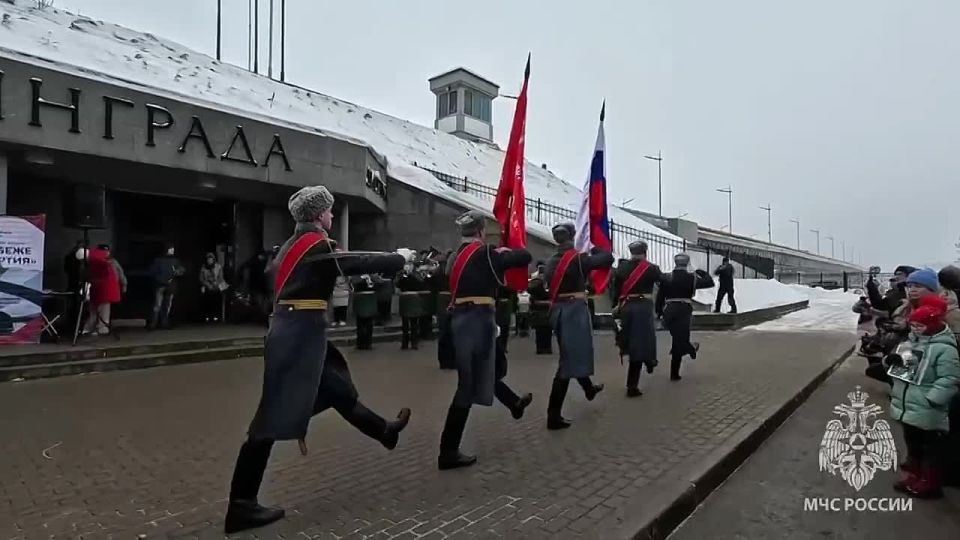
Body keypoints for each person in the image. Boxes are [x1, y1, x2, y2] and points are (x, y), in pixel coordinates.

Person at [225, 185, 413, 534]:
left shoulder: (290, 247)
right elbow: (356, 261)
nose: (331, 216)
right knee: (267, 423)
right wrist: (399, 258)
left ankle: (383, 431)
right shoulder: (316, 246)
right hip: (299, 337)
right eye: (329, 211)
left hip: (299, 334)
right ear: (318, 215)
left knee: (336, 388)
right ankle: (241, 506)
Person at [439, 210, 533, 470]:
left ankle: (513, 402)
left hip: (461, 318)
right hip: (477, 320)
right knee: (466, 385)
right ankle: (447, 451)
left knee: (483, 371)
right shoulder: (486, 254)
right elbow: (525, 257)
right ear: (481, 231)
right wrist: (508, 247)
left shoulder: (455, 256)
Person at [885, 294, 960, 499]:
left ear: (933, 324)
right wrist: (891, 362)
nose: (915, 329)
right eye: (913, 325)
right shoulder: (912, 343)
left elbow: (949, 378)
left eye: (920, 326)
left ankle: (930, 483)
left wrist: (933, 399)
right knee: (913, 445)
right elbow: (904, 369)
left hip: (928, 407)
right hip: (908, 405)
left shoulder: (944, 349)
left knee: (930, 449)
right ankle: (915, 476)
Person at [544, 222, 614, 431]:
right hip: (573, 311)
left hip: (558, 311)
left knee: (574, 354)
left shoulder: (550, 262)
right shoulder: (577, 259)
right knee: (568, 362)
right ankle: (553, 416)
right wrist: (596, 246)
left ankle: (588, 388)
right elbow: (608, 259)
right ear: (572, 237)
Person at [612, 240, 663, 397]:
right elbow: (664, 281)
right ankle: (634, 382)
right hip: (643, 308)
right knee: (644, 342)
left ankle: (645, 362)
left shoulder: (622, 267)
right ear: (645, 252)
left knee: (630, 342)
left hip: (626, 307)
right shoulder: (651, 268)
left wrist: (616, 307)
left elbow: (615, 289)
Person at [655, 253, 715, 381]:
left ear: (675, 263)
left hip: (669, 310)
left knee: (677, 340)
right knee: (680, 339)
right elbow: (709, 282)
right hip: (684, 310)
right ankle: (690, 348)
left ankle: (675, 372)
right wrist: (702, 272)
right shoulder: (691, 278)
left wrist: (659, 313)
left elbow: (660, 297)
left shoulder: (667, 277)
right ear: (687, 264)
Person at [80, 244, 123, 336]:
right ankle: (96, 328)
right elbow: (119, 274)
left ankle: (96, 327)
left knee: (99, 310)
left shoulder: (104, 262)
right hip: (100, 289)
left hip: (101, 289)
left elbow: (119, 274)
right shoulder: (105, 263)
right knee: (98, 310)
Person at [147, 244, 185, 330]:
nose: (172, 251)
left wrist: (178, 272)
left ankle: (159, 323)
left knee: (163, 305)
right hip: (163, 285)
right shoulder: (167, 260)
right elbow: (153, 272)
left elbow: (181, 270)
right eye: (171, 249)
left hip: (165, 285)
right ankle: (157, 323)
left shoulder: (172, 260)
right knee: (160, 305)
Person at [396, 259, 427, 350]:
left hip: (414, 300)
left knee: (414, 324)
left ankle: (414, 343)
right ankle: (405, 343)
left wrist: (411, 275)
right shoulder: (401, 275)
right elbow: (397, 284)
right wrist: (404, 276)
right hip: (405, 301)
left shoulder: (416, 275)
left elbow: (421, 283)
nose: (408, 267)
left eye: (409, 265)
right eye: (406, 265)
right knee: (405, 324)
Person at [436, 250, 456, 370]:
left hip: (443, 302)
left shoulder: (440, 271)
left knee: (444, 333)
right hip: (450, 301)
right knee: (449, 333)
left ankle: (444, 362)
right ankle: (449, 361)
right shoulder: (449, 272)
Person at [528, 261, 552, 354]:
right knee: (542, 330)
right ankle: (543, 348)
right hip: (541, 309)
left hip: (543, 309)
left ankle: (544, 348)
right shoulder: (535, 280)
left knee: (545, 330)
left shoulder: (547, 279)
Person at [199, 252, 227, 323]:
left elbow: (221, 278)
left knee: (217, 298)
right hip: (207, 285)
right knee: (207, 298)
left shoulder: (218, 267)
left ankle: (216, 316)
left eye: (211, 259)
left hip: (217, 285)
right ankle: (208, 316)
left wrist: (216, 284)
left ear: (213, 260)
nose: (209, 261)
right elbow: (201, 279)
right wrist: (208, 284)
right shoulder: (203, 267)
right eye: (208, 259)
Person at [351, 274, 377, 349]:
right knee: (360, 325)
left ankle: (368, 343)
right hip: (360, 302)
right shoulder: (356, 277)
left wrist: (370, 279)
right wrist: (362, 278)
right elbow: (353, 283)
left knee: (369, 325)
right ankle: (360, 343)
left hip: (369, 302)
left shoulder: (372, 276)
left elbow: (379, 283)